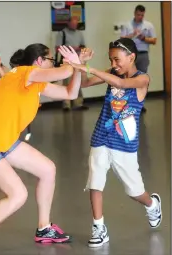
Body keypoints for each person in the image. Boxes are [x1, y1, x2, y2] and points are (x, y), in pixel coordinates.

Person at [0, 43, 82, 255]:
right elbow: (64, 71)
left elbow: (71, 93)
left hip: (3, 140)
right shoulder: (24, 73)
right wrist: (75, 63)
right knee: (17, 194)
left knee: (47, 169)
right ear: (39, 61)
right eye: (50, 59)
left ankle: (44, 228)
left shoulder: (36, 83)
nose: (52, 64)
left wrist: (78, 68)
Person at [68, 38, 162, 248]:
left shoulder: (142, 79)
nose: (114, 64)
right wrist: (82, 67)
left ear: (131, 57)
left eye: (117, 59)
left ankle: (151, 204)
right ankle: (99, 227)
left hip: (124, 143)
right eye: (110, 59)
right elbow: (84, 83)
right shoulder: (113, 73)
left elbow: (120, 84)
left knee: (134, 191)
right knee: (95, 182)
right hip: (101, 135)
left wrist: (89, 67)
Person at [121, 4, 157, 113]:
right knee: (129, 79)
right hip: (130, 55)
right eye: (138, 14)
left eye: (142, 15)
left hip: (143, 55)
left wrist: (144, 38)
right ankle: (127, 105)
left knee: (141, 80)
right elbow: (122, 40)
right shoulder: (127, 25)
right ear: (134, 13)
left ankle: (139, 105)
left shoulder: (148, 25)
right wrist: (132, 34)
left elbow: (154, 40)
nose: (140, 16)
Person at [55, 16, 89, 111]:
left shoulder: (79, 33)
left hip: (78, 61)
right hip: (67, 62)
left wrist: (80, 50)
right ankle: (66, 105)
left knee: (78, 81)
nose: (75, 25)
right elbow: (57, 48)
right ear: (68, 23)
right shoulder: (62, 33)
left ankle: (78, 103)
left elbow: (83, 47)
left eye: (76, 23)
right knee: (67, 83)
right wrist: (72, 48)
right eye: (73, 23)